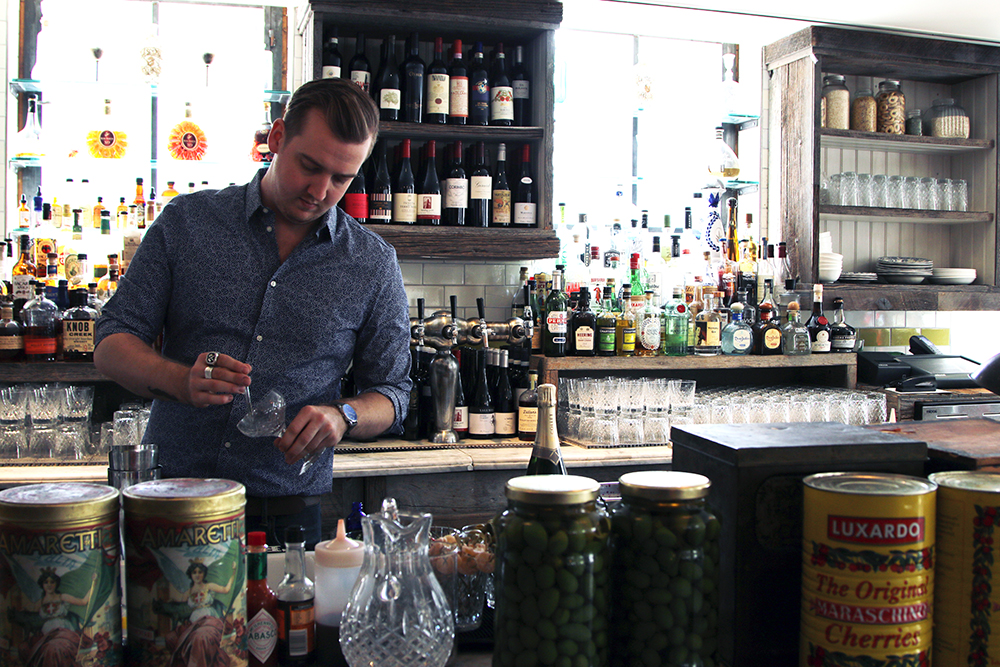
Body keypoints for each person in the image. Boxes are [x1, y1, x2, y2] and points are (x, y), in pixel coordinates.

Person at [95, 78, 412, 547]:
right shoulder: (188, 223)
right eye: (310, 166)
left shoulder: (371, 262)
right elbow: (112, 342)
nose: (321, 191)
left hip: (284, 505)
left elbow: (393, 392)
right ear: (278, 138)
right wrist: (181, 380)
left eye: (342, 179)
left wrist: (342, 415)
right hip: (171, 494)